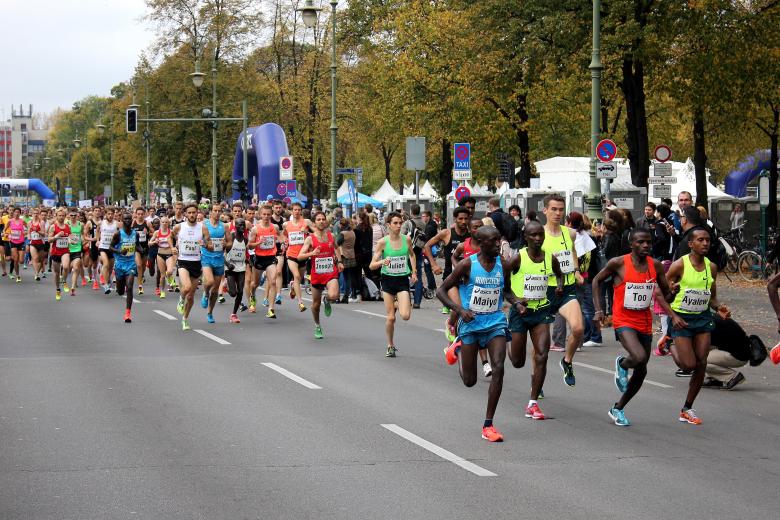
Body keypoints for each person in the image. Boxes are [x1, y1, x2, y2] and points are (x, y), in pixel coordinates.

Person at [592, 228, 680, 426]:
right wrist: (598, 310)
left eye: (648, 242)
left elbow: (666, 296)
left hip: (644, 322)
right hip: (623, 320)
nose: (646, 245)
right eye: (640, 242)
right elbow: (596, 280)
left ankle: (618, 408)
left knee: (641, 371)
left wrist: (674, 291)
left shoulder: (655, 265)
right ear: (631, 244)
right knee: (638, 357)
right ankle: (622, 363)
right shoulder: (618, 263)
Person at [437, 226, 513, 442]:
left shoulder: (503, 264)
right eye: (494, 241)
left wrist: (516, 301)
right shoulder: (467, 264)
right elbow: (441, 290)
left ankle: (488, 425)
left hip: (495, 322)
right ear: (480, 244)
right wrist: (460, 310)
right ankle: (458, 347)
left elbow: (505, 290)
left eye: (499, 239)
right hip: (471, 323)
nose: (499, 244)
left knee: (499, 367)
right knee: (469, 381)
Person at [665, 228, 730, 425]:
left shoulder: (711, 267)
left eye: (708, 240)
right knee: (688, 365)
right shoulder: (679, 265)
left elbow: (712, 295)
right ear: (690, 244)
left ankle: (687, 408)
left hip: (702, 317)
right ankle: (669, 344)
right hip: (681, 318)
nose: (705, 243)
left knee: (701, 362)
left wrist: (719, 308)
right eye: (700, 240)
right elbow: (662, 295)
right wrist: (672, 296)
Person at [505, 221, 563, 421]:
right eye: (533, 235)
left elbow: (560, 274)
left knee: (542, 355)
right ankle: (508, 342)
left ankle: (533, 403)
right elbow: (505, 287)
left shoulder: (550, 258)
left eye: (540, 235)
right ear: (526, 237)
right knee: (517, 361)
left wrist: (559, 286)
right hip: (520, 313)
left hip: (541, 312)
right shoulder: (517, 258)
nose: (538, 238)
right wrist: (515, 302)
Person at [541, 194, 583, 386]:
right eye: (554, 209)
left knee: (578, 328)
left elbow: (573, 251)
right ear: (545, 211)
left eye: (560, 209)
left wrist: (576, 270)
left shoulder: (570, 233)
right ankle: (537, 383)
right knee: (540, 346)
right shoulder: (538, 234)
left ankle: (567, 361)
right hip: (544, 290)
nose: (558, 213)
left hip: (566, 288)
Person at [369, 212, 417, 358]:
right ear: (388, 225)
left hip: (402, 280)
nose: (398, 226)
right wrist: (382, 262)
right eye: (395, 223)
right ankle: (390, 345)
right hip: (388, 281)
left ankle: (398, 304)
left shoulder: (407, 239)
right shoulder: (383, 242)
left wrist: (414, 272)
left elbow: (412, 254)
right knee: (391, 318)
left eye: (400, 223)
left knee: (405, 315)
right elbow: (372, 265)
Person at [298, 211, 343, 338]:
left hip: (330, 272)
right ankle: (317, 325)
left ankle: (327, 299)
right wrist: (311, 254)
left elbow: (336, 248)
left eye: (323, 219)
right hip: (317, 274)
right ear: (314, 222)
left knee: (334, 295)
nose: (322, 221)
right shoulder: (310, 239)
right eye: (318, 219)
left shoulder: (331, 236)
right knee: (316, 306)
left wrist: (339, 261)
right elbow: (300, 256)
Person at [172, 203, 214, 331]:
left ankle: (185, 319)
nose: (191, 215)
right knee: (187, 287)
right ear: (185, 214)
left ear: (197, 213)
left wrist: (205, 244)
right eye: (189, 213)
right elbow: (170, 236)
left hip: (196, 262)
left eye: (194, 212)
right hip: (183, 261)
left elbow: (211, 247)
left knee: (191, 297)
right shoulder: (179, 227)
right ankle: (180, 299)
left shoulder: (203, 228)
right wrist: (173, 247)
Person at [424, 207, 471, 314]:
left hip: (468, 278)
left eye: (466, 219)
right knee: (458, 308)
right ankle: (450, 325)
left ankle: (453, 326)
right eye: (460, 219)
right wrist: (433, 264)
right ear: (455, 219)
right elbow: (427, 246)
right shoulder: (447, 233)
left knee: (466, 309)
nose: (463, 221)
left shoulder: (472, 234)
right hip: (451, 277)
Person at [702, 314, 756, 390]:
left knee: (700, 360)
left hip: (738, 356)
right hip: (741, 351)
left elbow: (705, 346)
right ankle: (715, 379)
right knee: (703, 354)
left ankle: (732, 377)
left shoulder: (709, 324)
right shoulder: (712, 316)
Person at [247, 204, 283, 318]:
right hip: (259, 258)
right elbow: (249, 246)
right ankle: (252, 298)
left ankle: (271, 309)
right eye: (264, 214)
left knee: (272, 282)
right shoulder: (255, 229)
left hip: (271, 258)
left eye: (268, 214)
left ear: (271, 214)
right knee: (255, 284)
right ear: (260, 215)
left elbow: (280, 237)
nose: (266, 216)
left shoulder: (275, 227)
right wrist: (258, 243)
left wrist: (283, 242)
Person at [200, 203, 228, 324]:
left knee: (216, 290)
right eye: (215, 210)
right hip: (206, 258)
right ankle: (205, 293)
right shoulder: (203, 225)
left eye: (219, 211)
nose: (217, 213)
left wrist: (226, 245)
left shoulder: (224, 226)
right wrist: (203, 243)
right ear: (210, 212)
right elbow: (198, 239)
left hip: (219, 259)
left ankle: (210, 312)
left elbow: (230, 242)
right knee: (209, 281)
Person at [284, 202, 313, 312]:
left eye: (298, 210)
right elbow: (284, 237)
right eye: (295, 210)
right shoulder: (286, 224)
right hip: (291, 254)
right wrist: (285, 243)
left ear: (301, 211)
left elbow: (315, 233)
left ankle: (293, 287)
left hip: (303, 255)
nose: (297, 212)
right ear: (291, 211)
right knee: (296, 276)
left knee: (299, 278)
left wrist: (308, 233)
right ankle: (300, 302)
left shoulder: (306, 222)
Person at [111, 212, 138, 323]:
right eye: (125, 219)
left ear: (132, 220)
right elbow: (111, 247)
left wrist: (143, 250)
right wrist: (119, 251)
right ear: (122, 221)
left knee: (130, 287)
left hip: (131, 264)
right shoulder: (118, 234)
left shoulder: (135, 234)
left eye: (129, 219)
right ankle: (120, 285)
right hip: (119, 265)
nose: (128, 221)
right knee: (121, 291)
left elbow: (138, 246)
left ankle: (127, 313)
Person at [224, 218, 248, 323]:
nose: (242, 227)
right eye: (239, 225)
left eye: (243, 225)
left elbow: (244, 253)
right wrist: (228, 264)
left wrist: (248, 261)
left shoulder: (245, 240)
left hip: (241, 267)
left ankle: (234, 314)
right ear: (235, 226)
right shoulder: (231, 238)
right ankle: (226, 286)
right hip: (230, 267)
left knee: (240, 291)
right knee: (233, 293)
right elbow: (221, 253)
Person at [47, 208, 71, 301]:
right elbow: (49, 239)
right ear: (56, 216)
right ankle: (58, 289)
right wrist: (57, 236)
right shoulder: (53, 227)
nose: (61, 217)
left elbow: (69, 237)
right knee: (56, 273)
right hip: (55, 252)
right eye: (59, 215)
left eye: (63, 216)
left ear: (65, 217)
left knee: (65, 267)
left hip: (65, 251)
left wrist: (71, 240)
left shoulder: (67, 226)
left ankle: (64, 281)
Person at [149, 215, 176, 298]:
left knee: (170, 271)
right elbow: (149, 243)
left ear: (169, 223)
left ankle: (170, 278)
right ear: (160, 223)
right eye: (163, 222)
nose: (164, 224)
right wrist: (154, 242)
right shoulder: (157, 232)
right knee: (162, 275)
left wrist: (175, 247)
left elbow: (178, 239)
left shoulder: (171, 232)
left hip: (169, 254)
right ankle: (162, 291)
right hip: (160, 254)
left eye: (166, 222)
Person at [336, 217, 359, 303]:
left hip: (344, 255)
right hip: (352, 255)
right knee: (350, 276)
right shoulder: (352, 232)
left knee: (343, 276)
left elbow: (337, 243)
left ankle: (344, 296)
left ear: (342, 225)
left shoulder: (343, 233)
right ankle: (352, 294)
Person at [96, 207, 118, 294]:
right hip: (103, 247)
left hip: (112, 248)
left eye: (112, 214)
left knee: (110, 267)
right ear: (105, 214)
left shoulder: (117, 224)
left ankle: (107, 279)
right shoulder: (101, 223)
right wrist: (97, 240)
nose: (110, 215)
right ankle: (105, 285)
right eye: (108, 214)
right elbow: (97, 231)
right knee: (106, 264)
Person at [132, 207, 153, 295]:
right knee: (139, 265)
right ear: (136, 214)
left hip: (145, 247)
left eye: (142, 214)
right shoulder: (133, 223)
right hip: (136, 247)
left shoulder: (147, 223)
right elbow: (128, 233)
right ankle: (140, 286)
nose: (140, 216)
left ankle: (140, 275)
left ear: (144, 214)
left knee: (143, 267)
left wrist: (147, 233)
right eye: (138, 214)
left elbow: (153, 233)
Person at [67, 209, 85, 294]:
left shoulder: (80, 224)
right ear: (69, 215)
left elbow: (81, 234)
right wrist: (69, 240)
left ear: (77, 215)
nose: (73, 217)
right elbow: (64, 235)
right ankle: (64, 278)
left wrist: (83, 240)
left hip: (77, 249)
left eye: (75, 215)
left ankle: (73, 286)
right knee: (67, 267)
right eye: (71, 215)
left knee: (76, 267)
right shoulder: (66, 224)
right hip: (67, 249)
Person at [6, 207, 25, 282]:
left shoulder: (22, 221)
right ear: (13, 213)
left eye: (18, 212)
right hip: (13, 242)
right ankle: (18, 275)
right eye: (15, 212)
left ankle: (16, 272)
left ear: (20, 213)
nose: (16, 213)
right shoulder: (10, 221)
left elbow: (28, 228)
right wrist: (6, 234)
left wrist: (26, 233)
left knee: (21, 261)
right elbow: (5, 230)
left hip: (21, 242)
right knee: (16, 259)